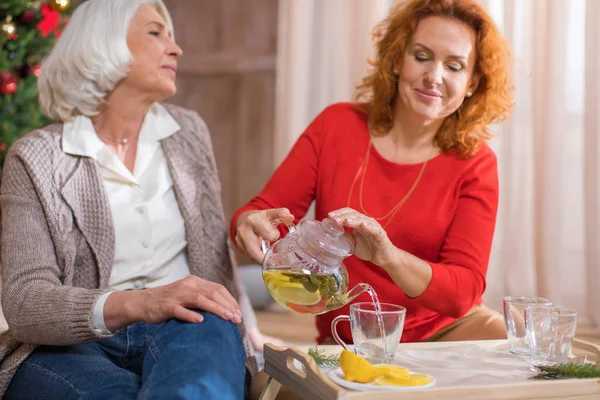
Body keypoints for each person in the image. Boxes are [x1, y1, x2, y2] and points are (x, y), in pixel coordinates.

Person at [0, 0, 279, 398]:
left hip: (188, 327)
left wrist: (250, 335)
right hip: (70, 346)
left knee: (198, 379)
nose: (176, 48)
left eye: (172, 35)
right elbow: (26, 303)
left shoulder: (189, 133)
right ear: (104, 44)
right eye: (155, 32)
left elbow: (217, 263)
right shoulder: (36, 158)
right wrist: (143, 303)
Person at [233, 0, 515, 351]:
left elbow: (463, 292)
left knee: (524, 349)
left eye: (454, 66)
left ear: (472, 82)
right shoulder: (336, 125)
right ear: (397, 59)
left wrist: (388, 257)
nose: (435, 76)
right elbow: (264, 211)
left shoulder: (476, 162)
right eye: (422, 56)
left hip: (444, 333)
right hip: (352, 338)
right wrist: (247, 220)